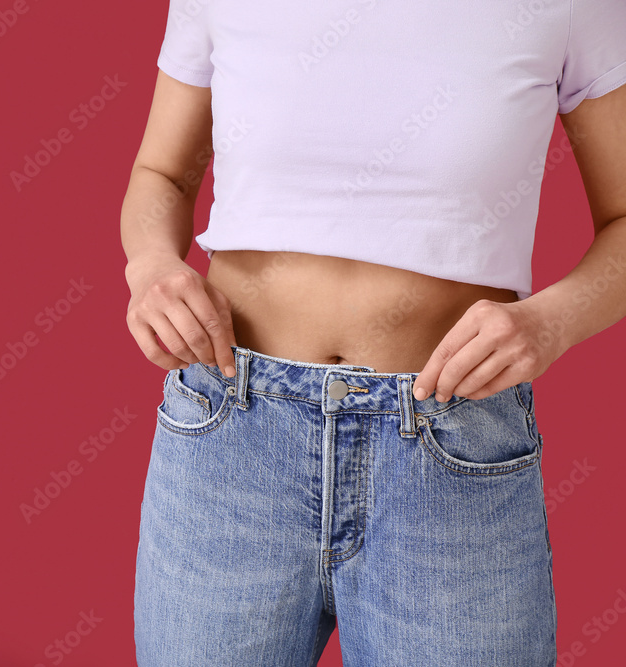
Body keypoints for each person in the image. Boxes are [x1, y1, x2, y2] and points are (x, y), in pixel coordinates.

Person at [121, 1, 626, 665]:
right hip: (229, 438)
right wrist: (153, 264)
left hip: (449, 448)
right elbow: (162, 173)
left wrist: (551, 322)